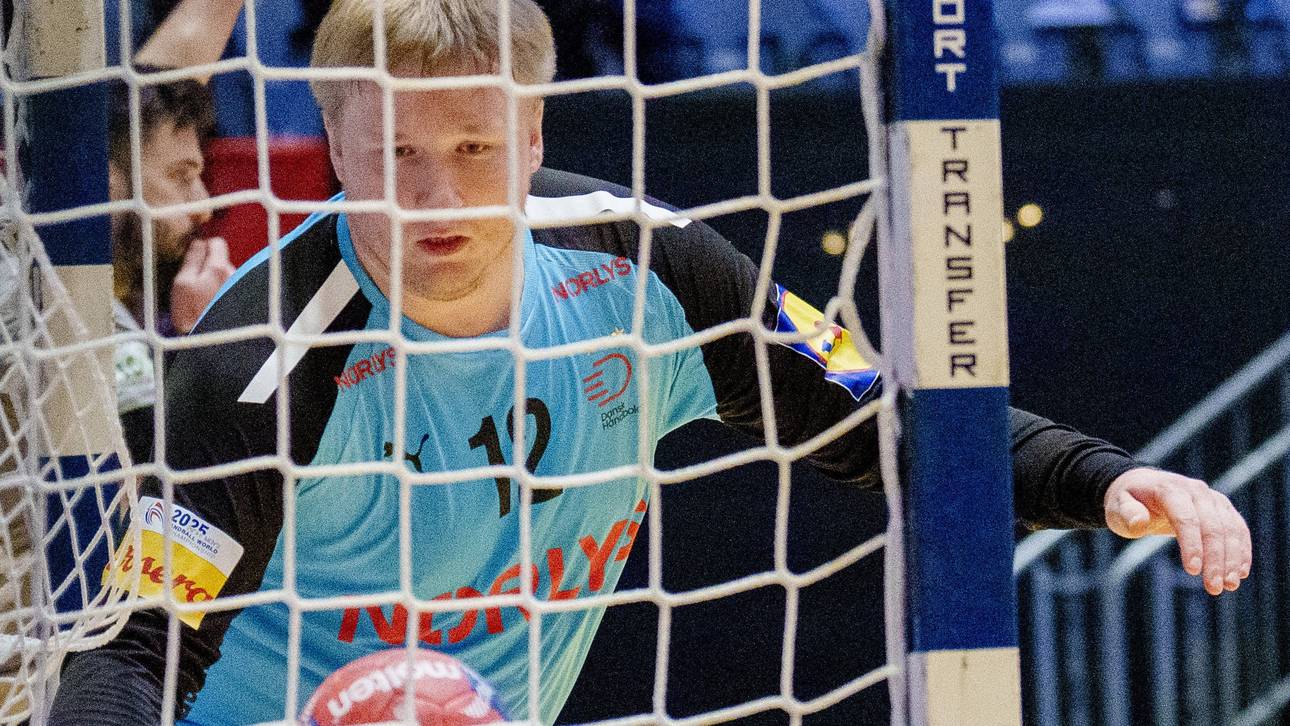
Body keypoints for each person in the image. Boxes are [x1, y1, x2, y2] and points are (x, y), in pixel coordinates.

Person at [49, 1, 1252, 724]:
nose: (436, 195)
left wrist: (1098, 479)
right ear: (336, 149)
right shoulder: (261, 360)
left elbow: (877, 425)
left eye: (473, 145)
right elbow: (134, 644)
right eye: (397, 152)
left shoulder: (645, 269)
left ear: (532, 135)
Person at [109, 0, 243, 463]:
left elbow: (182, 51)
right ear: (108, 178)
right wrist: (194, 339)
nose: (204, 204)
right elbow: (157, 480)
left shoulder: (126, 285)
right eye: (182, 174)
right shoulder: (83, 313)